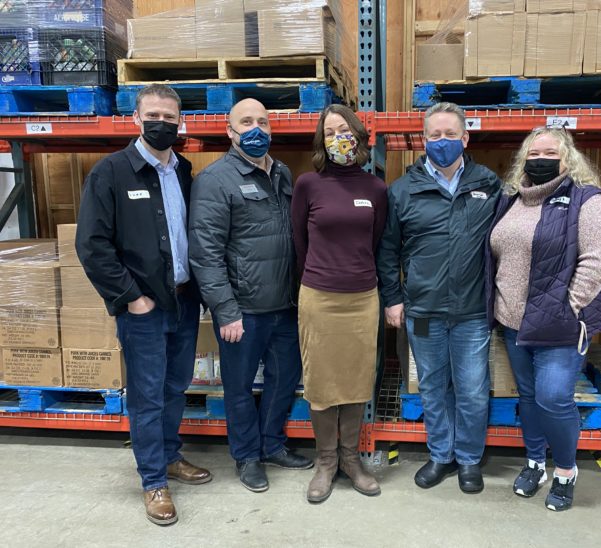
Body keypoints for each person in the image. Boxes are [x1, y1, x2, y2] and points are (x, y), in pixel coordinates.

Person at [76, 84, 210, 526]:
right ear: (136, 118)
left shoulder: (184, 170)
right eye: (153, 115)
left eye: (170, 117)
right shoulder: (111, 172)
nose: (162, 124)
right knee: (147, 397)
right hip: (143, 310)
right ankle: (153, 480)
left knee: (174, 388)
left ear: (179, 122)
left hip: (183, 301)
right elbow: (92, 246)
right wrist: (131, 298)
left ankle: (171, 457)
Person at [484, 126, 601, 512]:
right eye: (534, 153)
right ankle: (535, 463)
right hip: (513, 323)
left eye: (550, 153)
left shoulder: (586, 201)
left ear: (567, 159)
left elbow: (598, 262)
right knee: (529, 397)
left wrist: (568, 307)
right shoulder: (512, 200)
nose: (540, 159)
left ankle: (566, 471)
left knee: (553, 398)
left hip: (560, 327)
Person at [188, 98, 312, 494]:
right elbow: (205, 253)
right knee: (239, 387)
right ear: (230, 131)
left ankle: (272, 444)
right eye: (246, 122)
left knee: (284, 379)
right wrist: (225, 310)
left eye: (262, 121)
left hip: (285, 306)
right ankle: (247, 456)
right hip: (243, 310)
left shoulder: (283, 174)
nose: (256, 128)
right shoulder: (215, 180)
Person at [376, 102, 501, 494]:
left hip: (471, 312)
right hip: (424, 310)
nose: (442, 142)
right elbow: (387, 251)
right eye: (435, 135)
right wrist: (393, 299)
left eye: (451, 135)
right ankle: (440, 455)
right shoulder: (402, 190)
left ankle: (467, 459)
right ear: (423, 140)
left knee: (472, 388)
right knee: (432, 386)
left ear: (465, 138)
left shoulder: (488, 184)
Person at [291, 104, 388, 503]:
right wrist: (319, 277)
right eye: (330, 132)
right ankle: (326, 461)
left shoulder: (376, 188)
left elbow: (377, 241)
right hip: (319, 298)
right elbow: (299, 242)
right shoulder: (308, 185)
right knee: (320, 384)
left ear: (360, 136)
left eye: (344, 130)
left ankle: (351, 458)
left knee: (356, 381)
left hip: (363, 298)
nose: (338, 138)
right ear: (321, 140)